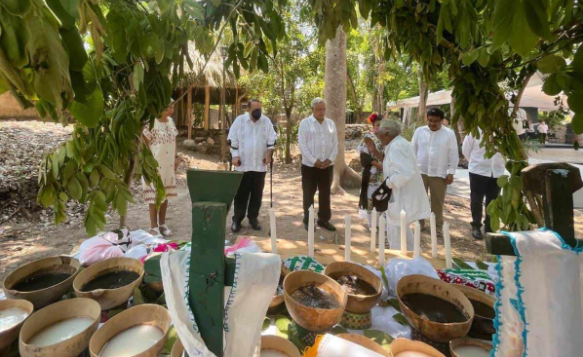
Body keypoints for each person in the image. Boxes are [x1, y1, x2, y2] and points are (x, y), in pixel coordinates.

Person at [377, 119, 431, 250]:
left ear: (388, 133)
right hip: (398, 196)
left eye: (380, 133)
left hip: (402, 197)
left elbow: (404, 173)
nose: (378, 136)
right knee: (399, 233)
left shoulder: (397, 146)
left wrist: (387, 183)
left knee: (397, 236)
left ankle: (401, 264)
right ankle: (415, 260)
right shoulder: (397, 144)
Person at [228, 98, 277, 233]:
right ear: (248, 109)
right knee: (241, 194)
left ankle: (253, 218)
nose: (258, 112)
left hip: (259, 165)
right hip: (243, 165)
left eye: (259, 109)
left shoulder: (266, 121)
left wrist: (269, 154)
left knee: (257, 194)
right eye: (255, 110)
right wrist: (235, 155)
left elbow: (272, 138)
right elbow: (232, 138)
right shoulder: (240, 121)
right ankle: (237, 219)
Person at [411, 108, 459, 236]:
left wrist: (451, 172)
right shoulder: (419, 131)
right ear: (427, 118)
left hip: (439, 173)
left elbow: (454, 153)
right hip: (420, 171)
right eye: (430, 120)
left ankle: (437, 227)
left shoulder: (449, 134)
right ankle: (419, 223)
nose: (432, 123)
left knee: (437, 201)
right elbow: (412, 149)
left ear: (442, 121)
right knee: (419, 198)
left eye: (436, 121)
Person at [298, 97, 338, 232]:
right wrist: (314, 161)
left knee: (325, 194)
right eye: (319, 109)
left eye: (323, 109)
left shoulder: (331, 124)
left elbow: (335, 144)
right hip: (310, 167)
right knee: (308, 194)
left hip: (327, 166)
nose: (321, 112)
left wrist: (330, 159)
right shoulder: (305, 124)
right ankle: (308, 221)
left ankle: (323, 220)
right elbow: (302, 145)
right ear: (312, 109)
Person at [142, 100, 180, 237]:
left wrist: (176, 157)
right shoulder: (150, 122)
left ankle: (163, 224)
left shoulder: (170, 121)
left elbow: (174, 141)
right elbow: (144, 145)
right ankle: (153, 226)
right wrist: (147, 164)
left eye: (173, 106)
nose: (171, 108)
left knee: (165, 195)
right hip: (154, 165)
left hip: (168, 165)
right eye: (168, 106)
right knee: (154, 196)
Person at [462, 129, 505, 240]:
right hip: (478, 171)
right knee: (476, 200)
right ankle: (476, 226)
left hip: (497, 172)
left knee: (493, 201)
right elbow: (465, 150)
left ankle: (489, 227)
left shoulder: (503, 131)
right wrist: (477, 162)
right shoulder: (474, 131)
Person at [357, 113, 384, 230]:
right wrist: (378, 165)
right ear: (373, 126)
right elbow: (364, 157)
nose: (380, 127)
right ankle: (371, 223)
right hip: (371, 174)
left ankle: (379, 222)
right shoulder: (368, 137)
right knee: (370, 198)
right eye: (378, 125)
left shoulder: (386, 139)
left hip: (383, 174)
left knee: (381, 197)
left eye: (382, 125)